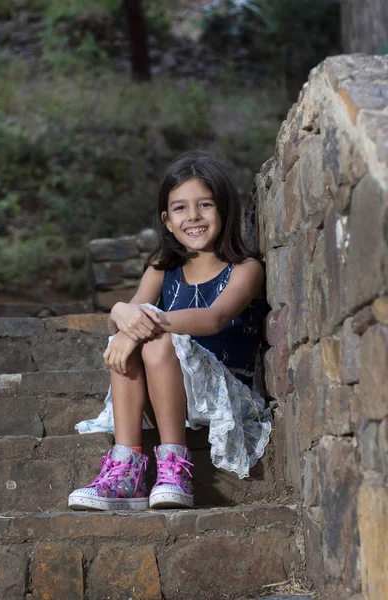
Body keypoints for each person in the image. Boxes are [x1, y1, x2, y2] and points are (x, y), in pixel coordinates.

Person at [68, 150, 271, 512]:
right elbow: (122, 320)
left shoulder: (245, 269)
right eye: (180, 208)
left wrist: (139, 322)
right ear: (167, 219)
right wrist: (119, 310)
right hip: (165, 393)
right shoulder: (164, 266)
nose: (193, 216)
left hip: (223, 396)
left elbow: (213, 319)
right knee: (132, 334)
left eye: (205, 204)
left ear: (224, 209)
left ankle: (175, 467)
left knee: (151, 332)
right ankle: (127, 468)